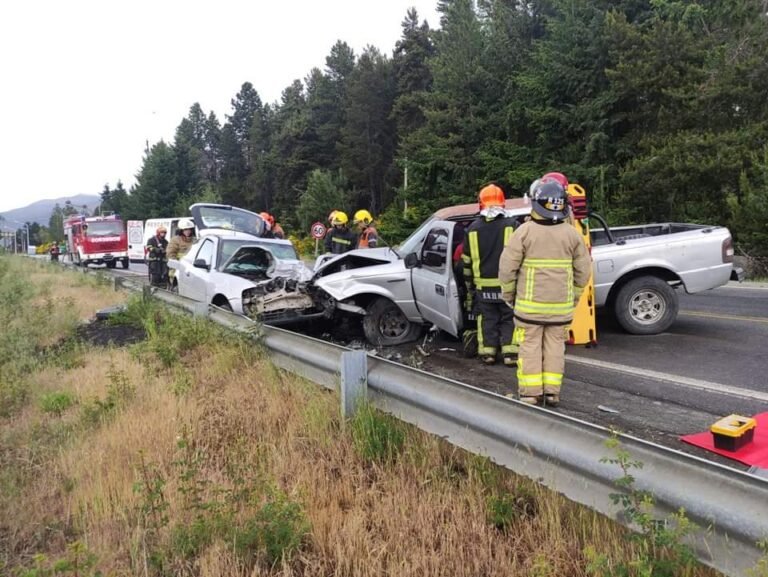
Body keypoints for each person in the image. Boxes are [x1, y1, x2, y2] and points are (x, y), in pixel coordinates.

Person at [499, 177, 591, 406]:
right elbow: (583, 270)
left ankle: (530, 394)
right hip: (561, 309)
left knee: (529, 348)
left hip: (528, 308)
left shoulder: (524, 232)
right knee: (555, 349)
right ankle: (552, 393)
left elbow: (507, 269)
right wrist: (575, 296)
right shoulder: (572, 234)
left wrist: (509, 296)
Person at [461, 184, 519, 366]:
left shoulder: (472, 229)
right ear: (502, 204)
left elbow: (466, 263)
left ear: (481, 204)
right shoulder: (513, 226)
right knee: (509, 318)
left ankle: (488, 353)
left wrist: (469, 286)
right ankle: (510, 354)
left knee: (487, 319)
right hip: (507, 285)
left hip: (483, 287)